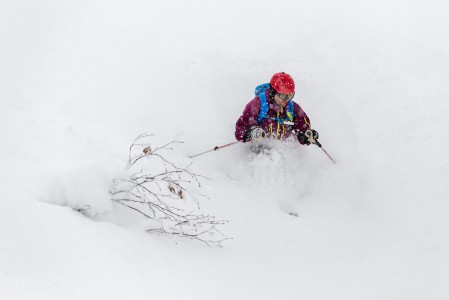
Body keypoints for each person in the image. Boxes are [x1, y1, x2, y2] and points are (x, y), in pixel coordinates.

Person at [235, 72, 319, 146]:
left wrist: (306, 135)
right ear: (272, 92)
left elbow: (303, 127)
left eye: (290, 96)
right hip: (259, 148)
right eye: (283, 96)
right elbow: (240, 129)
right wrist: (251, 132)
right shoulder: (257, 105)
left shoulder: (292, 108)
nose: (286, 100)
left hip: (284, 149)